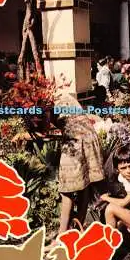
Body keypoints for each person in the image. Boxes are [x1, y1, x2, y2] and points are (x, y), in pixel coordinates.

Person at [45, 94, 105, 251]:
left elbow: (45, 128)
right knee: (84, 186)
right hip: (88, 137)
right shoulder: (62, 96)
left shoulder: (47, 103)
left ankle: (61, 238)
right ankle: (76, 230)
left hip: (77, 141)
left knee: (67, 190)